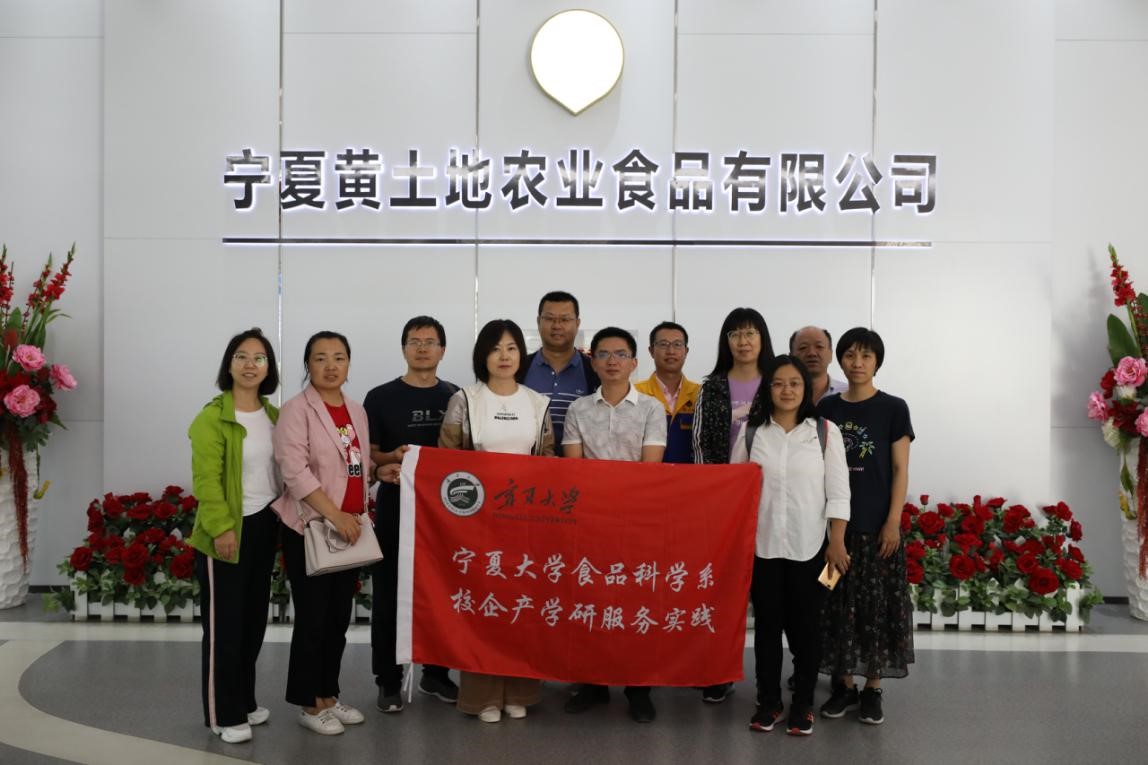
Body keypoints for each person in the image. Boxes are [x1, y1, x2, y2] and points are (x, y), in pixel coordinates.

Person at [439, 319, 556, 723]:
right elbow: (446, 462)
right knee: (483, 608)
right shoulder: (464, 400)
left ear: (522, 355)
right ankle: (482, 696)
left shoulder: (538, 403)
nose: (503, 356)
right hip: (478, 523)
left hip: (526, 522)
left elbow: (549, 461)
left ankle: (519, 691)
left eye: (511, 348)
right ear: (482, 356)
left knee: (522, 606)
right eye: (494, 348)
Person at [731, 355, 850, 736]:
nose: (786, 390)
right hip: (762, 549)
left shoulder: (825, 433)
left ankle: (803, 705)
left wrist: (837, 542)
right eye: (779, 383)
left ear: (806, 388)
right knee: (767, 630)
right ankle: (768, 702)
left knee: (806, 631)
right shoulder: (752, 432)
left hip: (812, 549)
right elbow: (735, 490)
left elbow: (839, 493)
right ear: (768, 389)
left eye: (794, 383)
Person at [562, 327, 667, 723]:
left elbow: (649, 470)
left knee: (634, 605)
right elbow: (573, 470)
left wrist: (611, 492)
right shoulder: (578, 410)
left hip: (636, 522)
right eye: (603, 354)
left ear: (634, 362)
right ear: (592, 363)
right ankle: (593, 684)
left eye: (620, 354)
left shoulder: (651, 409)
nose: (612, 361)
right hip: (588, 522)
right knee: (590, 601)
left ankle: (638, 688)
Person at [272, 331, 373, 736]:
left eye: (339, 357)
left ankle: (328, 694)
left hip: (350, 530)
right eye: (320, 358)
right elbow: (294, 471)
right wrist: (335, 515)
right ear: (307, 365)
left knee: (337, 618)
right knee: (313, 618)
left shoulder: (356, 410)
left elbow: (356, 466)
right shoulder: (296, 411)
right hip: (312, 529)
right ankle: (308, 703)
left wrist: (379, 474)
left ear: (349, 363)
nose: (331, 366)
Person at [817, 327, 915, 726]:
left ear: (877, 362)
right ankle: (843, 686)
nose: (857, 363)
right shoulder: (826, 408)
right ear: (840, 360)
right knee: (833, 604)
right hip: (833, 533)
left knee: (877, 609)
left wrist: (893, 522)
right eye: (850, 355)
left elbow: (900, 469)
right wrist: (829, 534)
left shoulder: (894, 408)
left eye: (866, 356)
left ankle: (873, 687)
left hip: (878, 531)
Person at [188, 328, 281, 745]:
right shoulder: (212, 417)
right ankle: (223, 713)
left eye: (259, 358)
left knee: (252, 623)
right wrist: (221, 527)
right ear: (229, 365)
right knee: (224, 628)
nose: (250, 364)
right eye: (241, 356)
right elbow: (206, 481)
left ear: (268, 368)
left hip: (264, 525)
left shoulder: (274, 416)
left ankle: (244, 700)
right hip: (227, 529)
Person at [363, 316, 460, 713]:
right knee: (388, 593)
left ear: (443, 350)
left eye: (430, 342)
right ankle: (387, 679)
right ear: (403, 348)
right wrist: (391, 458)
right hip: (396, 505)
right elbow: (368, 454)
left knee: (440, 592)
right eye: (414, 341)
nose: (422, 348)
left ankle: (435, 674)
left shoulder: (456, 397)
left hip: (444, 513)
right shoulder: (379, 397)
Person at [691, 307, 775, 703]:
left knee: (771, 592)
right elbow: (701, 446)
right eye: (735, 334)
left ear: (762, 339)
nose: (743, 341)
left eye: (750, 333)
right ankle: (718, 670)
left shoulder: (778, 382)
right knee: (721, 592)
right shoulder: (712, 387)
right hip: (724, 505)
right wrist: (715, 497)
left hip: (773, 501)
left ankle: (771, 680)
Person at [523, 290, 600, 447]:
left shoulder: (595, 370)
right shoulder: (519, 368)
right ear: (538, 321)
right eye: (549, 318)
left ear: (577, 323)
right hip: (526, 459)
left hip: (579, 460)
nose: (557, 326)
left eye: (565, 319)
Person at [634, 321, 699, 464]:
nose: (671, 351)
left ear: (686, 351)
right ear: (651, 351)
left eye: (677, 344)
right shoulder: (635, 394)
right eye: (663, 344)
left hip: (691, 475)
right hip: (648, 474)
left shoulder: (701, 394)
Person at [789, 326, 846, 403]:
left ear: (830, 354)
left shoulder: (849, 394)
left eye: (819, 346)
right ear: (791, 356)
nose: (812, 353)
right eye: (803, 347)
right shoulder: (783, 396)